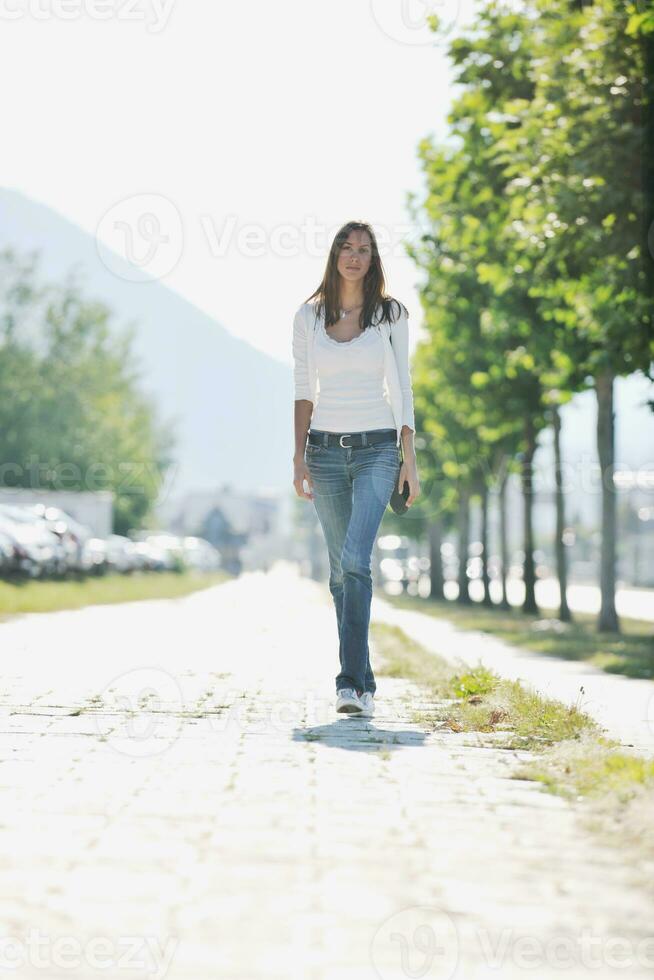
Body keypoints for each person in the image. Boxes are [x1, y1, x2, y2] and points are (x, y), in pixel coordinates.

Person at [292, 220, 420, 718]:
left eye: (363, 249)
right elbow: (303, 389)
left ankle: (350, 685)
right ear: (334, 256)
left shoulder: (390, 314)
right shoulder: (308, 317)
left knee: (355, 560)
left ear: (373, 259)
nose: (354, 256)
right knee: (340, 572)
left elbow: (403, 388)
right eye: (346, 248)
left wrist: (410, 459)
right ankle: (363, 678)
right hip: (323, 451)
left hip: (378, 450)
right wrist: (298, 456)